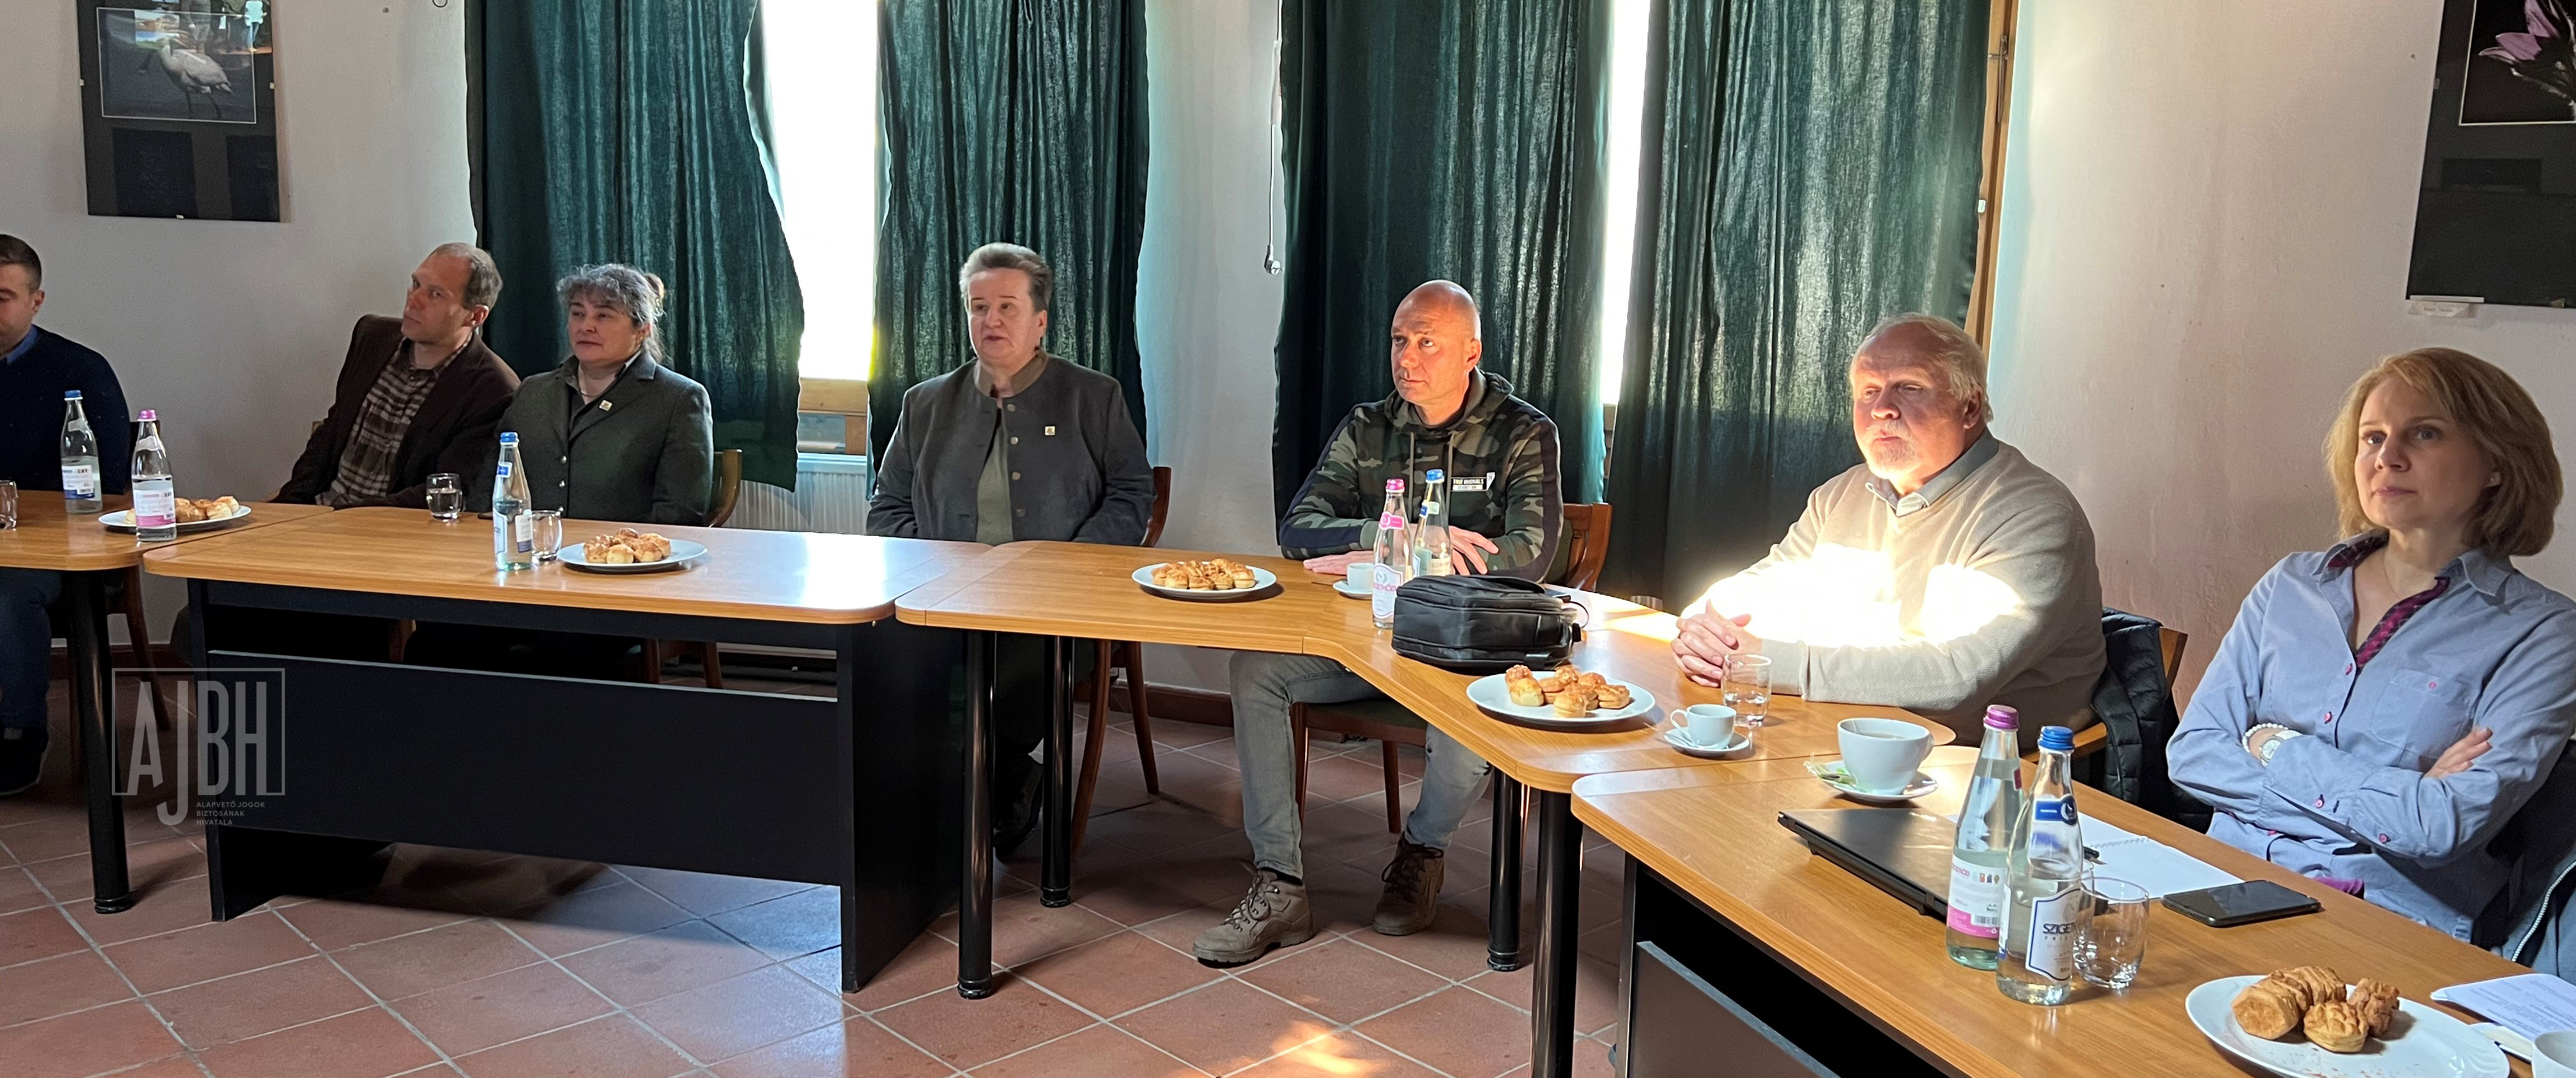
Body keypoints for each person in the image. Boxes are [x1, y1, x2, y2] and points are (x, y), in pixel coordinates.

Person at [1195, 280, 1563, 966]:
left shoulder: (1522, 431)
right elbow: (1298, 529)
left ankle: (1421, 850)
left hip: (1456, 651)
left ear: (1471, 352)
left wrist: (1405, 553)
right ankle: (1279, 884)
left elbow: (1533, 554)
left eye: (1427, 342)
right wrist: (1385, 538)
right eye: (1399, 340)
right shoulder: (1369, 425)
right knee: (1255, 670)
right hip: (1362, 643)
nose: (1407, 357)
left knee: (1469, 723)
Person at [2170, 347, 2576, 941]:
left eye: (2425, 433)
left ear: (2497, 462)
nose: (2387, 457)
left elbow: (2440, 828)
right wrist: (2397, 799)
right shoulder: (2290, 585)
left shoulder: (2544, 633)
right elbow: (2193, 754)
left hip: (2383, 928)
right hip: (2216, 882)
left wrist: (2273, 745)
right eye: (2372, 437)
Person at [1669, 313, 2104, 740]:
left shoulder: (2036, 515)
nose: (1882, 409)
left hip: (1978, 765)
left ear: (1969, 407)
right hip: (1841, 731)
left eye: (1909, 387)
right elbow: (1766, 586)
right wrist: (1703, 627)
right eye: (1869, 391)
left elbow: (1955, 677)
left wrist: (1767, 663)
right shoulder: (1842, 493)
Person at [869, 242, 1154, 850]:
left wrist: (1071, 563)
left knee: (1010, 674)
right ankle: (1006, 782)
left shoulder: (1092, 396)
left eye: (1006, 307)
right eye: (979, 307)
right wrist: (928, 565)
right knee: (888, 667)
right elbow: (886, 506)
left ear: (1040, 321)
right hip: (941, 602)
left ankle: (984, 789)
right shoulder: (925, 404)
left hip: (1053, 606)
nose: (991, 320)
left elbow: (1133, 494)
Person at [0, 235, 133, 794]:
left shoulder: (79, 371)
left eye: (2, 297)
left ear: (36, 301)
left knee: (8, 590)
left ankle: (18, 733)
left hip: (63, 550)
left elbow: (115, 484)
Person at [276, 243, 519, 509]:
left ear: (474, 316)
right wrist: (288, 506)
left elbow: (450, 489)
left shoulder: (494, 389)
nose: (413, 301)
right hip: (320, 512)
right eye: (416, 284)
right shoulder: (373, 337)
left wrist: (343, 518)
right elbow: (331, 433)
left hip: (388, 525)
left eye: (436, 294)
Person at [477, 263, 712, 524]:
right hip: (528, 545)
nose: (586, 326)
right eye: (578, 314)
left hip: (626, 549)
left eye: (603, 316)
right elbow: (490, 486)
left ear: (642, 329)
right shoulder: (533, 391)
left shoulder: (679, 399)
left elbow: (680, 514)